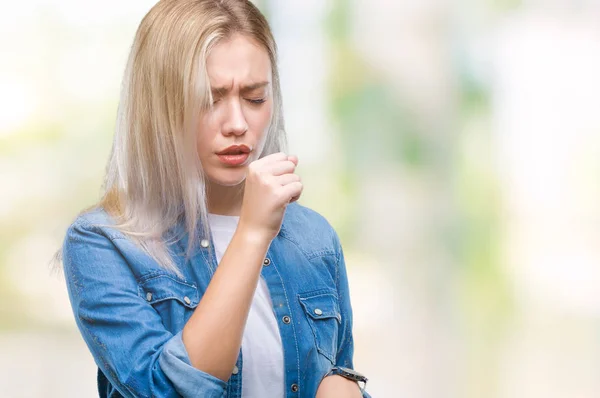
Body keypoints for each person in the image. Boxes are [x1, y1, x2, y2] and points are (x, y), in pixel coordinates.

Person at [60, 1, 370, 397]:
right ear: (158, 106)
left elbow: (338, 374)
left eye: (255, 98)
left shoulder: (313, 238)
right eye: (210, 99)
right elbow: (168, 391)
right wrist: (253, 233)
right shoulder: (103, 243)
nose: (238, 124)